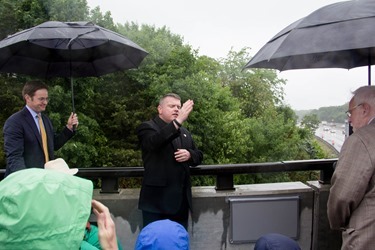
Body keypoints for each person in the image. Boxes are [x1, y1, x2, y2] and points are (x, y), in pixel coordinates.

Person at [136, 93, 203, 230]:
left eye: (179, 106)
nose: (177, 109)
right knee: (154, 243)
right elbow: (154, 143)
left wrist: (189, 154)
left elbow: (199, 155)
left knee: (178, 242)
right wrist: (177, 122)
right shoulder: (147, 127)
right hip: (156, 204)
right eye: (172, 106)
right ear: (160, 109)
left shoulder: (184, 132)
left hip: (180, 204)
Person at [327, 85, 375, 249]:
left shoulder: (361, 140)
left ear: (364, 110)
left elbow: (343, 195)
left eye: (350, 112)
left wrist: (337, 223)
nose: (349, 119)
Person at [3, 80, 78, 177]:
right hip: (26, 183)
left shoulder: (45, 120)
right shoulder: (14, 122)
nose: (45, 102)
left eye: (47, 99)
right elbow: (14, 157)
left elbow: (53, 145)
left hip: (45, 180)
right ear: (28, 98)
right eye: (41, 99)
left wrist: (69, 128)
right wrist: (27, 180)